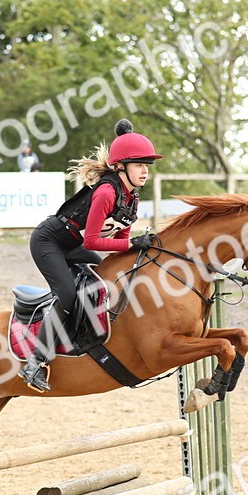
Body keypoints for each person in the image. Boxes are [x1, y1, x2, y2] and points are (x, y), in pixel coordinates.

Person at [18, 119, 162, 393]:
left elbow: (121, 243)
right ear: (121, 167)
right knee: (69, 296)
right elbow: (93, 240)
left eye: (147, 165)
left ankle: (88, 335)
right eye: (139, 165)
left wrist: (136, 251)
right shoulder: (107, 193)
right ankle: (34, 362)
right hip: (49, 243)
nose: (145, 170)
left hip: (72, 245)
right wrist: (133, 243)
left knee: (106, 279)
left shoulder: (131, 198)